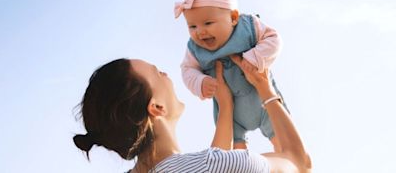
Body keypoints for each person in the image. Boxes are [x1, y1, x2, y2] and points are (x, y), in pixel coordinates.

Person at [73, 55, 311, 172]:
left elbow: (211, 162)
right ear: (156, 107)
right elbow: (300, 163)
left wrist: (226, 107)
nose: (167, 75)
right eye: (158, 73)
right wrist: (263, 87)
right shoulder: (211, 166)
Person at [175, 0, 287, 150]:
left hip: (264, 101)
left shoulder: (248, 27)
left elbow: (273, 39)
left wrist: (256, 57)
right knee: (235, 158)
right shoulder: (194, 49)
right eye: (192, 26)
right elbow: (187, 70)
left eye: (208, 23)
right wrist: (200, 82)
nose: (200, 32)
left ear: (233, 17)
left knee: (285, 145)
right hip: (231, 114)